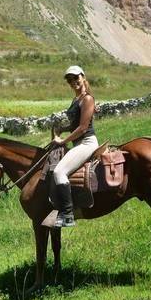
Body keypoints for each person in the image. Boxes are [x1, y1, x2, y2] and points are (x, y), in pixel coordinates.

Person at [51, 65, 98, 227]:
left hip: (87, 143)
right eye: (70, 80)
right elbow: (73, 124)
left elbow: (83, 127)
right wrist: (60, 129)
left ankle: (68, 215)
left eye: (76, 78)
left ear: (83, 77)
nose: (73, 82)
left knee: (59, 171)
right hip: (79, 143)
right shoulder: (75, 100)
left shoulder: (87, 99)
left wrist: (63, 141)